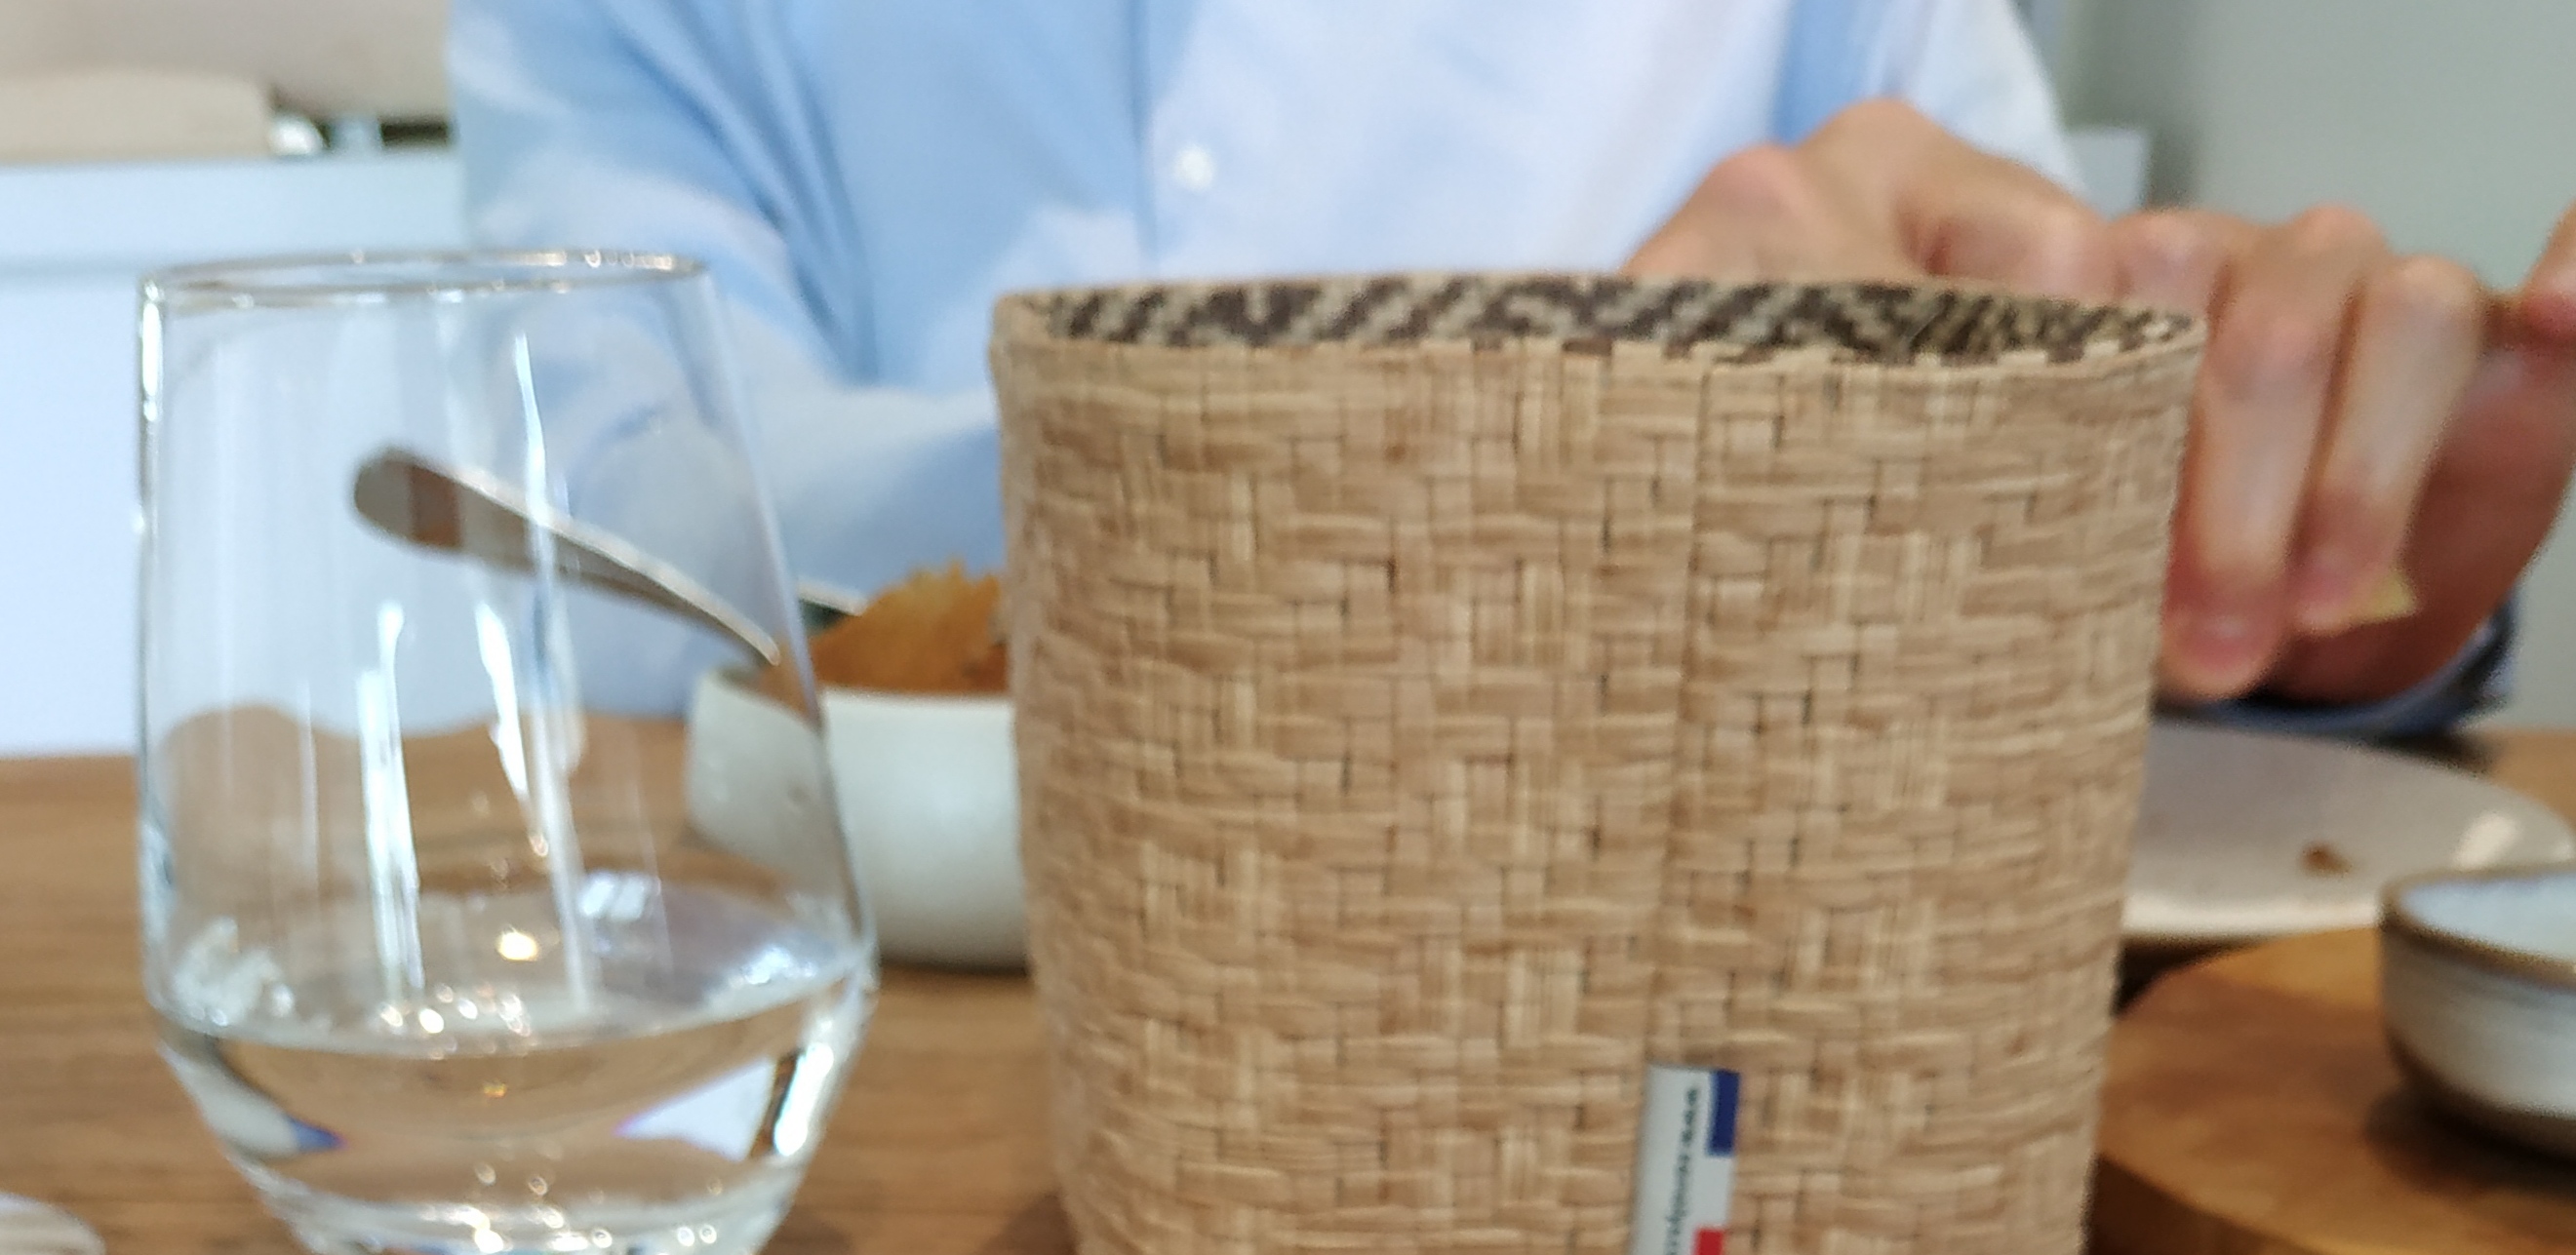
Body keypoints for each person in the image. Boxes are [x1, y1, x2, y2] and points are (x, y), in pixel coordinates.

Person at [451, 0, 2576, 733]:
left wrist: (2283, 595)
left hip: (1697, 1038)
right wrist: (1530, 418)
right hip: (898, 1081)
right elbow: (607, 534)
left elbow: (2048, 524)